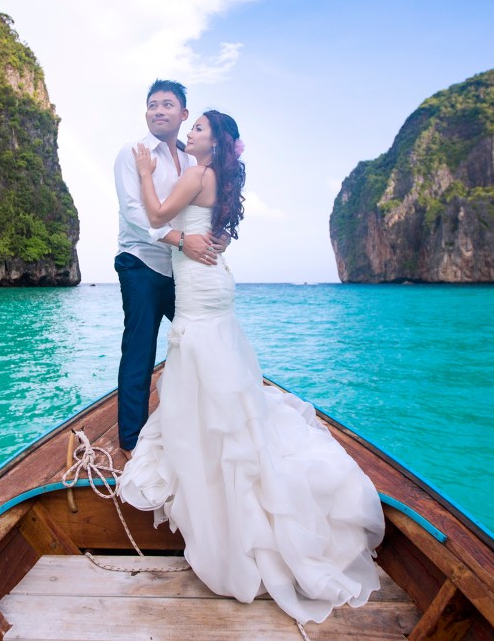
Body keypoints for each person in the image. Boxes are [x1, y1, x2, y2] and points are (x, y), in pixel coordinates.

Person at [117, 110, 387, 626]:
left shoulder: (196, 173)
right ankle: (223, 432)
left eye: (197, 128)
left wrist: (146, 174)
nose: (189, 132)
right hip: (213, 282)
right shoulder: (219, 178)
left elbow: (153, 217)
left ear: (214, 142)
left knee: (199, 358)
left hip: (198, 286)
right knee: (215, 364)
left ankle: (210, 449)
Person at [114, 80, 221, 457]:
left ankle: (204, 425)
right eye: (152, 105)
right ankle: (130, 442)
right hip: (140, 263)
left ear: (183, 114)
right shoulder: (134, 152)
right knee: (140, 351)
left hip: (181, 270)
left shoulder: (191, 159)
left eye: (167, 104)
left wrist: (213, 238)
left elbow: (200, 209)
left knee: (197, 344)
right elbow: (133, 214)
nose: (158, 111)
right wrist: (179, 239)